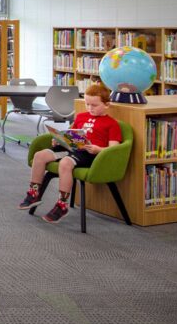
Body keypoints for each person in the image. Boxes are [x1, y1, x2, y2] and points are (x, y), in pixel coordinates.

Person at [19, 83, 122, 223]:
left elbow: (114, 149)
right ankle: (34, 193)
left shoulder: (112, 124)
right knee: (40, 155)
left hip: (89, 154)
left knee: (65, 163)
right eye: (87, 104)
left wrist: (98, 149)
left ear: (107, 104)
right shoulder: (81, 117)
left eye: (94, 105)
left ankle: (62, 204)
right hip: (71, 148)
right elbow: (71, 134)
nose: (90, 108)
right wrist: (59, 140)